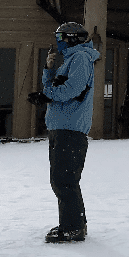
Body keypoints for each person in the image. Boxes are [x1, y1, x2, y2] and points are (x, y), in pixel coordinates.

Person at [31, 21, 100, 243]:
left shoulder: (80, 58)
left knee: (64, 180)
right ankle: (75, 223)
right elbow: (53, 88)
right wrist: (49, 70)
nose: (58, 42)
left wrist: (47, 96)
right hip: (61, 126)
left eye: (61, 37)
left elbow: (73, 89)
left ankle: (72, 228)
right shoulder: (70, 60)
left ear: (71, 38)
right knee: (64, 179)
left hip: (70, 127)